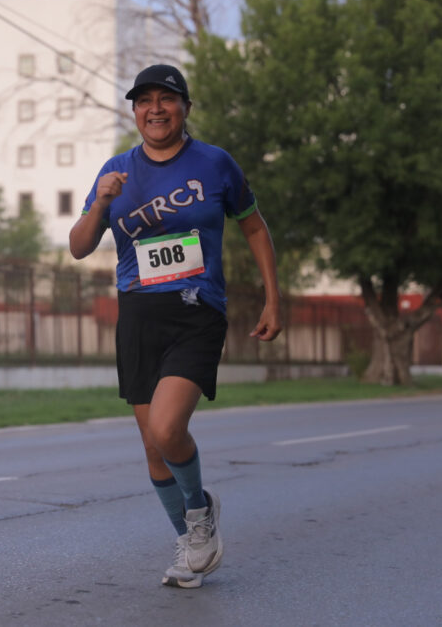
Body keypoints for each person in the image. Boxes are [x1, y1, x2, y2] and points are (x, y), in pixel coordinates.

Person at [69, 65, 283, 589]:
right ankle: (191, 540)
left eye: (167, 99)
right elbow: (78, 246)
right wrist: (101, 201)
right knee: (150, 443)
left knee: (167, 429)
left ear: (185, 107)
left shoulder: (215, 163)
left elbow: (253, 225)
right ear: (135, 111)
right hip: (138, 314)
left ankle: (198, 512)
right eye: (145, 101)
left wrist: (274, 299)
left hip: (196, 309)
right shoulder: (115, 170)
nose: (156, 109)